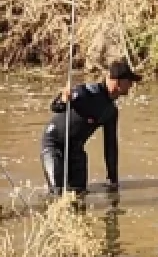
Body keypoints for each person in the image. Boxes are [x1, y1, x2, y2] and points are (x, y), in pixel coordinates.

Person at [41, 59, 139, 196]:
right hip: (54, 144)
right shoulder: (87, 93)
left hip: (76, 150)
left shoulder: (111, 111)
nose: (131, 85)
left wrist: (113, 180)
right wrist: (64, 100)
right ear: (117, 82)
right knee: (58, 194)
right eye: (129, 81)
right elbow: (56, 107)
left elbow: (110, 146)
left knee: (80, 195)